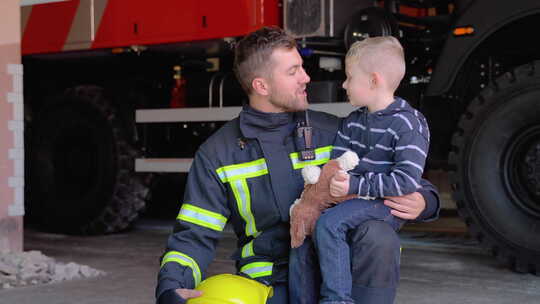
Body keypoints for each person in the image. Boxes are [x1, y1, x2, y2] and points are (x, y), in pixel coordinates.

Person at [155, 26, 440, 304]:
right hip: (269, 282)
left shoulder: (333, 131)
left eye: (302, 67)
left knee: (378, 235)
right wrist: (171, 287)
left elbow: (398, 170)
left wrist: (424, 201)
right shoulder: (219, 153)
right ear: (261, 85)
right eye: (293, 72)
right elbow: (194, 234)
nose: (306, 77)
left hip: (336, 276)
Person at [288, 36, 430, 304]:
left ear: (374, 80)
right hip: (352, 198)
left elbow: (406, 182)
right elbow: (337, 164)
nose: (343, 84)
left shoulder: (408, 124)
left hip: (383, 202)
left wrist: (355, 186)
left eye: (350, 77)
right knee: (308, 222)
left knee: (330, 224)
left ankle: (337, 299)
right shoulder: (354, 122)